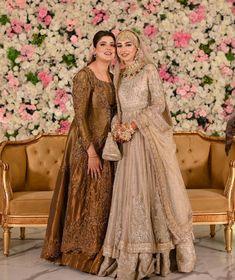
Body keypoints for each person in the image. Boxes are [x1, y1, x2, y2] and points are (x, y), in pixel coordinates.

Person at [98, 30, 196, 279]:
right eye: (119, 45)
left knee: (154, 192)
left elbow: (158, 105)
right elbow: (119, 110)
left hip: (147, 138)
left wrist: (133, 125)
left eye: (127, 44)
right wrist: (118, 127)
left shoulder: (148, 70)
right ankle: (132, 254)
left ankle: (161, 255)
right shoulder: (118, 74)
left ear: (138, 46)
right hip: (128, 143)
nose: (122, 49)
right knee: (131, 193)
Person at [41, 30, 116, 274]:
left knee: (102, 198)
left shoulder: (114, 77)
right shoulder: (84, 76)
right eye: (103, 44)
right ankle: (81, 251)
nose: (108, 48)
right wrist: (91, 152)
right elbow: (80, 116)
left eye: (112, 45)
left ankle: (101, 247)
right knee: (85, 197)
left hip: (108, 146)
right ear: (94, 48)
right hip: (86, 146)